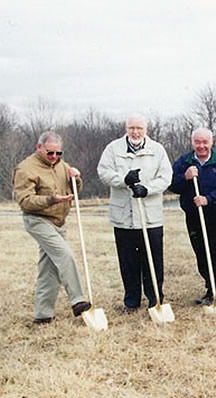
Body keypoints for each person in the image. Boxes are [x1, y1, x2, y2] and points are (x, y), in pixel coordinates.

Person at [13, 131, 91, 324]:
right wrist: (51, 199)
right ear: (39, 147)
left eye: (58, 153)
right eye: (50, 153)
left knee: (49, 268)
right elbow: (25, 201)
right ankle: (78, 300)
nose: (54, 157)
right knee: (64, 254)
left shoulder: (61, 166)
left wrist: (76, 178)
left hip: (59, 222)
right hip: (38, 220)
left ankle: (43, 314)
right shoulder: (25, 168)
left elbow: (75, 190)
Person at [97, 114, 173, 312]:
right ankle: (131, 302)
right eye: (132, 128)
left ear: (146, 129)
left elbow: (166, 177)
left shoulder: (157, 150)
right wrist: (124, 179)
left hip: (150, 217)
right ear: (126, 128)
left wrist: (147, 189)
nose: (135, 132)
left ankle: (155, 300)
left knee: (153, 261)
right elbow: (103, 172)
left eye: (139, 128)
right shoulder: (113, 149)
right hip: (124, 217)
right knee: (128, 262)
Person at [169, 127, 216, 305]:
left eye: (205, 142)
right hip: (194, 216)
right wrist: (185, 177)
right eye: (197, 142)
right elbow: (171, 184)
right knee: (201, 254)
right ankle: (211, 287)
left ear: (211, 142)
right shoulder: (184, 161)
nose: (201, 146)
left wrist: (208, 199)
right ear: (192, 143)